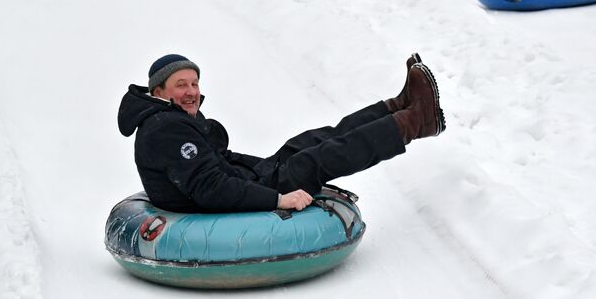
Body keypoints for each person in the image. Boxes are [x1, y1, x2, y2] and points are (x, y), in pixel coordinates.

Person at [118, 53, 446, 213]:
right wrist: (277, 197)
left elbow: (219, 161)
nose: (191, 91)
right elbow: (210, 188)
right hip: (220, 205)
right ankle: (416, 122)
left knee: (308, 142)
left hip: (246, 180)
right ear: (158, 90)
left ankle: (399, 106)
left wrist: (266, 166)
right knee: (321, 158)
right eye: (181, 85)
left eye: (194, 83)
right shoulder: (166, 130)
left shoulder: (173, 119)